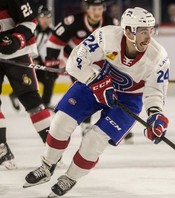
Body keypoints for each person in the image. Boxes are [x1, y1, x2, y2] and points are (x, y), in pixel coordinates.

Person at [23, 7, 170, 198]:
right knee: (60, 122)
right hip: (95, 82)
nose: (148, 36)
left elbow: (155, 91)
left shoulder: (158, 57)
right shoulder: (106, 36)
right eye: (143, 31)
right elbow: (74, 63)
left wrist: (155, 115)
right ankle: (47, 165)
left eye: (151, 30)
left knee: (94, 140)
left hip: (128, 98)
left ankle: (71, 177)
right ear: (127, 31)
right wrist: (94, 81)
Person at [44, 0, 124, 138]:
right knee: (88, 89)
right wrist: (52, 60)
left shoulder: (111, 22)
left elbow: (122, 43)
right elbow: (54, 40)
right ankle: (86, 125)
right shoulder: (73, 21)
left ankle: (115, 121)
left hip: (102, 63)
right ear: (87, 9)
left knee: (114, 90)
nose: (97, 12)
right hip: (78, 65)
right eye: (94, 9)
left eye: (99, 9)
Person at [0, 0, 51, 169]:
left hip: (17, 53)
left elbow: (29, 21)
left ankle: (52, 148)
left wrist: (17, 39)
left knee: (32, 100)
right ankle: (2, 147)